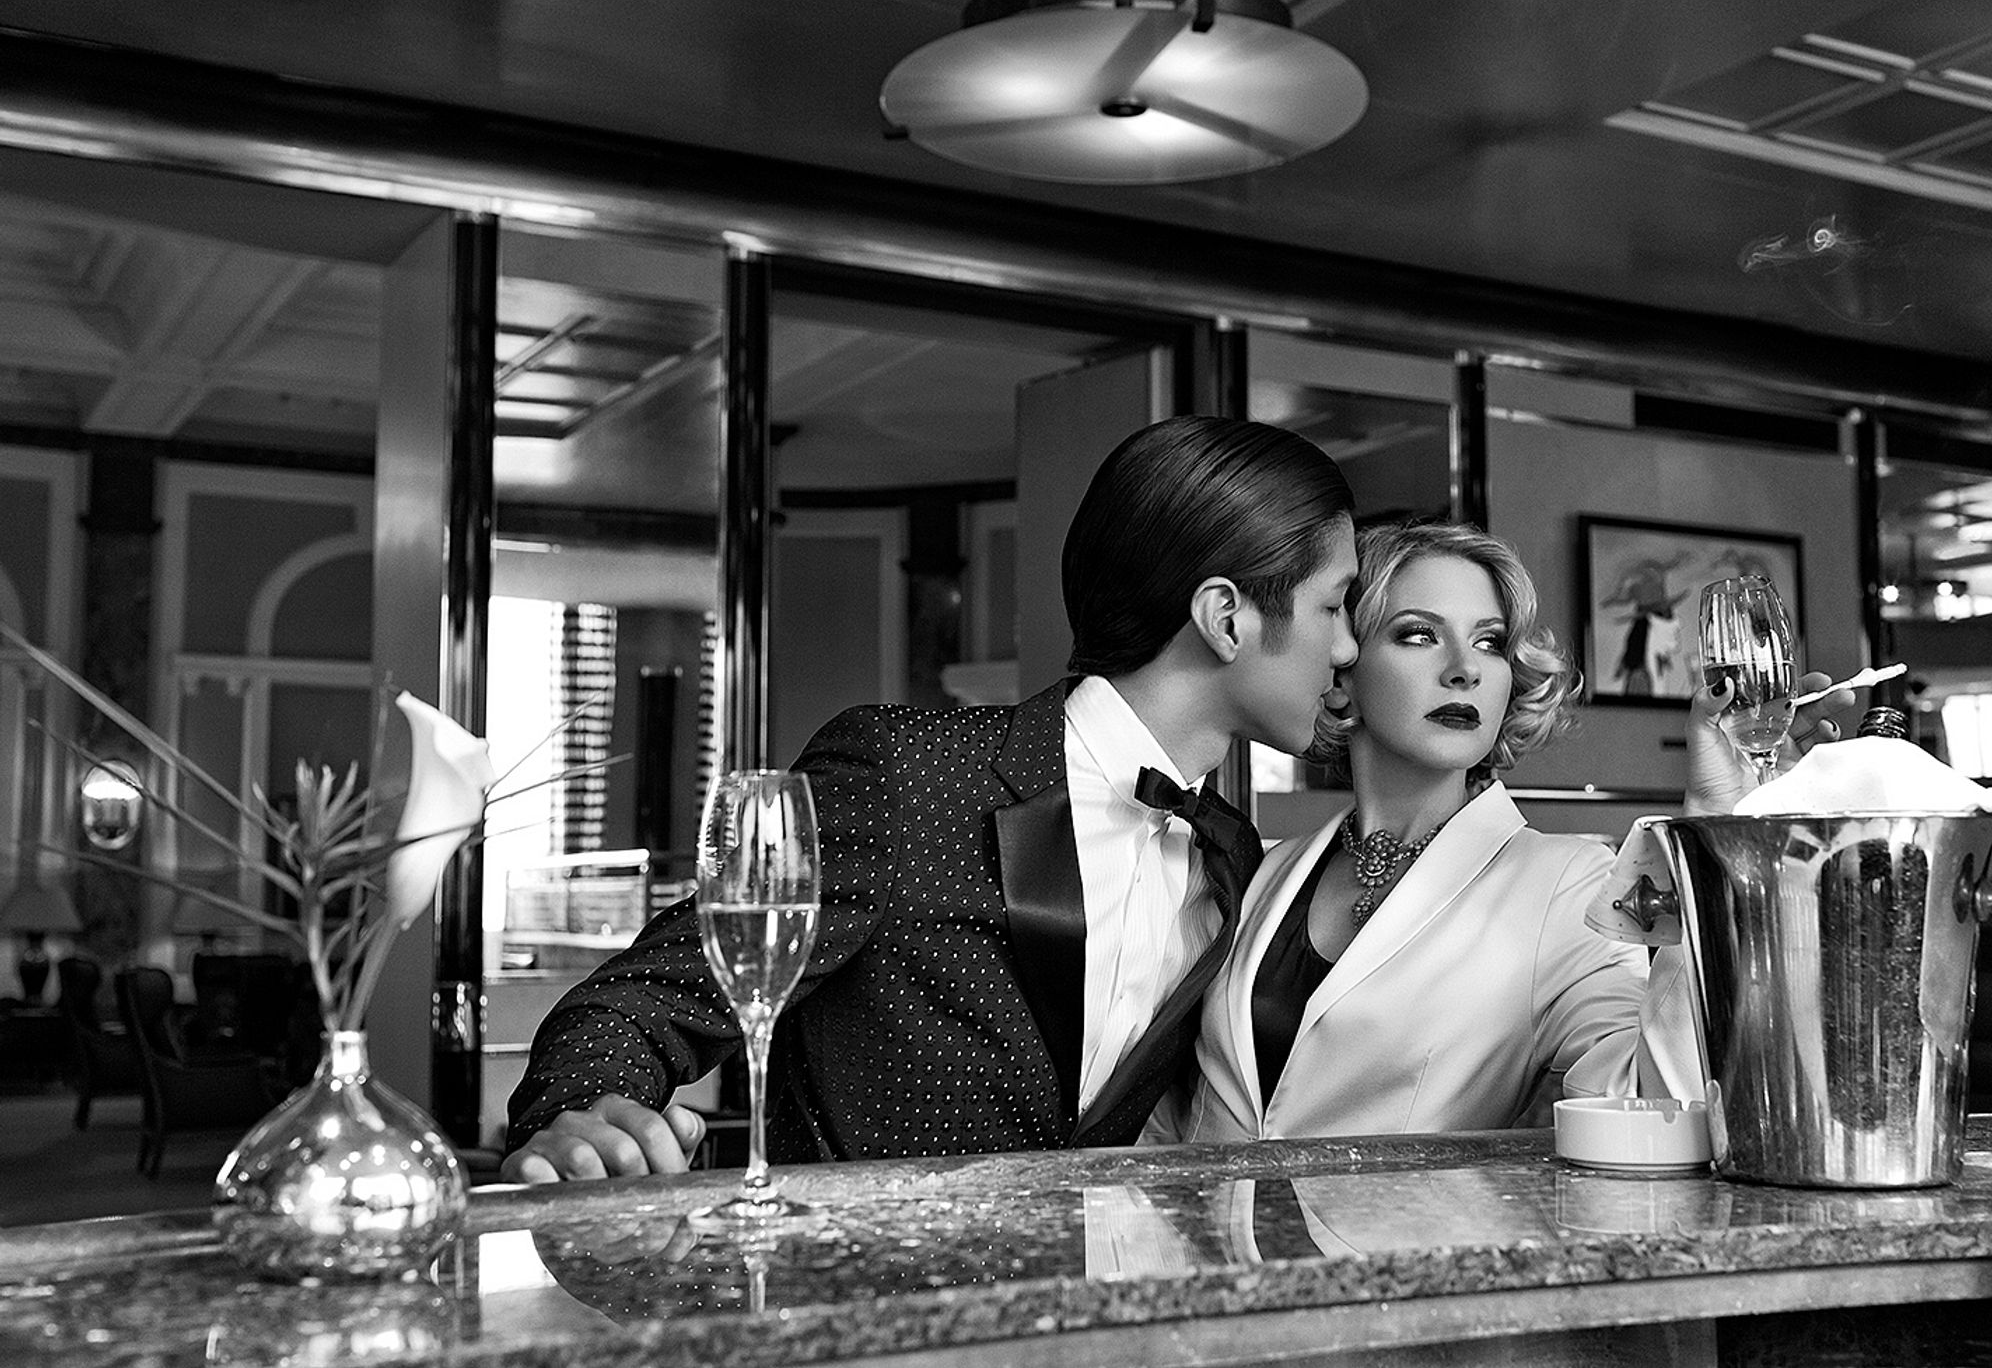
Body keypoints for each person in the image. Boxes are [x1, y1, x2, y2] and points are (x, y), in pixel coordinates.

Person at [501, 415, 1359, 1182]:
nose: (1349, 646)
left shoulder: (1232, 852)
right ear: (1226, 617)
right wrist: (585, 1111)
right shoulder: (905, 775)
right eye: (1334, 605)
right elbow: (643, 999)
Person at [1151, 520, 1846, 1142]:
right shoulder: (1254, 868)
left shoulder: (1563, 883)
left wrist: (1724, 826)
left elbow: (1659, 1105)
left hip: (1391, 1275)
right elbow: (1166, 1104)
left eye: (1489, 642)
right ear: (1342, 674)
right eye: (1418, 634)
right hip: (1201, 1268)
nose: (1464, 668)